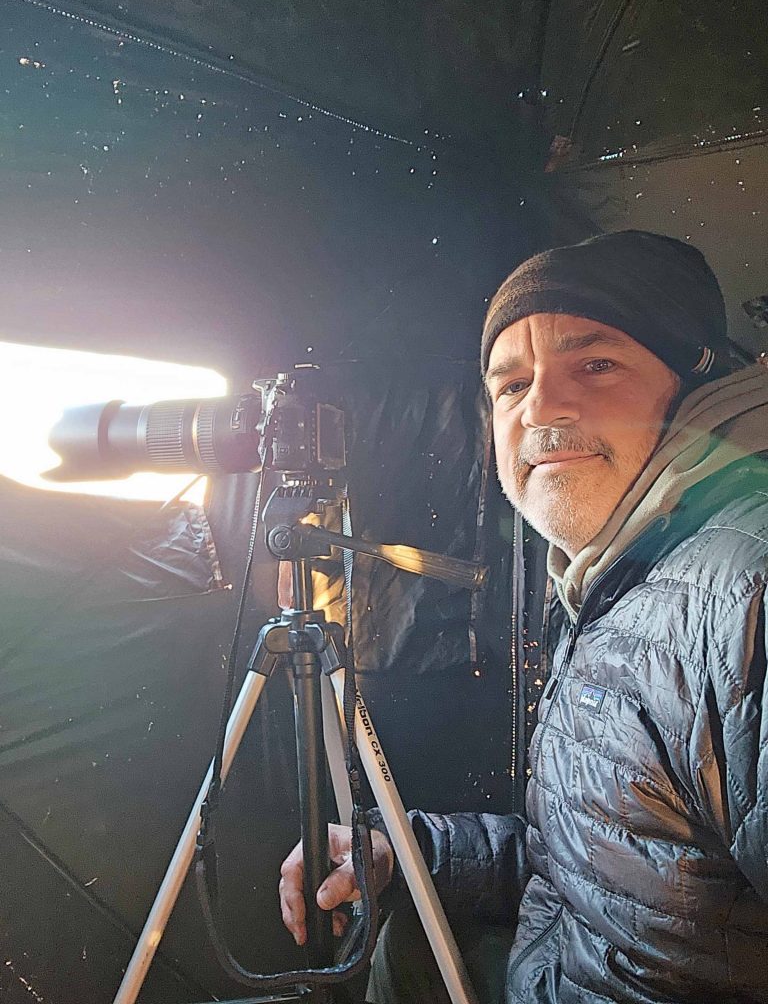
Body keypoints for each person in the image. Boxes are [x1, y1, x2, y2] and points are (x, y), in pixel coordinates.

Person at [279, 230, 768, 1003]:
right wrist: (412, 852)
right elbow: (603, 859)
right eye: (510, 385)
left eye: (596, 364)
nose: (542, 406)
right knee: (407, 950)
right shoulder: (616, 574)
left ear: (698, 382)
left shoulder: (747, 589)